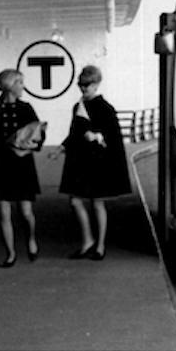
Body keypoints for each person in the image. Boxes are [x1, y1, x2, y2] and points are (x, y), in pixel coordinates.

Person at [57, 65, 132, 261]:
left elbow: (113, 136)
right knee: (75, 201)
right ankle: (88, 240)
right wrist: (62, 147)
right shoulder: (78, 106)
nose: (83, 89)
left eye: (87, 85)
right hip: (81, 160)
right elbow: (74, 132)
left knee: (97, 203)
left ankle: (99, 245)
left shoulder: (106, 108)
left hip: (98, 161)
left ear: (97, 84)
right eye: (81, 85)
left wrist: (97, 135)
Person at [0, 69, 43, 268]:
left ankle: (31, 240)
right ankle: (10, 253)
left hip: (22, 163)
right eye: (20, 83)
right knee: (3, 212)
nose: (23, 87)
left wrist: (34, 144)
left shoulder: (26, 108)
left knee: (25, 211)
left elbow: (38, 131)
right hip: (0, 163)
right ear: (10, 85)